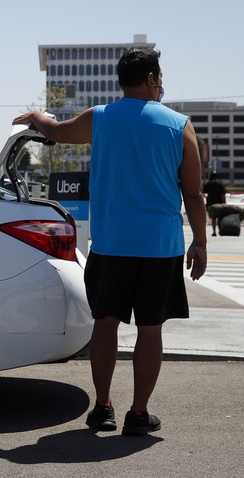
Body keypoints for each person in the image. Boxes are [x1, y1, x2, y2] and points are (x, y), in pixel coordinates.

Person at [12, 48, 207, 436]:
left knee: (105, 325)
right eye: (160, 76)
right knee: (151, 330)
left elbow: (56, 131)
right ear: (151, 78)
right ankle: (138, 413)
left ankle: (103, 408)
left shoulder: (100, 118)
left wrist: (36, 116)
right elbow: (194, 194)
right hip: (160, 246)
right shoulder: (179, 126)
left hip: (112, 244)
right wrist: (200, 242)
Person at [203, 171, 227, 236]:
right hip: (219, 203)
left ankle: (214, 232)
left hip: (211, 204)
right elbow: (223, 195)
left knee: (213, 218)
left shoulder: (208, 184)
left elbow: (203, 193)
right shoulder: (220, 184)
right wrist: (224, 203)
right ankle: (220, 230)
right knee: (220, 217)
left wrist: (206, 199)